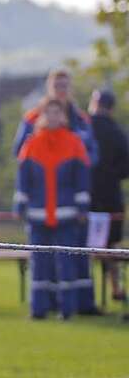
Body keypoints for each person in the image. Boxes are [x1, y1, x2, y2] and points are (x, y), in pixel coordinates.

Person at [13, 68, 99, 314]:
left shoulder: (80, 121)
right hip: (42, 208)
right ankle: (42, 307)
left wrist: (78, 191)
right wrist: (21, 202)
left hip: (67, 205)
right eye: (57, 85)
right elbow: (22, 162)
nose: (61, 89)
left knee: (71, 260)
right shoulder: (31, 124)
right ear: (50, 87)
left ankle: (76, 306)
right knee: (41, 261)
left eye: (65, 85)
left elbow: (90, 157)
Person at [87, 89, 129, 304]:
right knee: (111, 245)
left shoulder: (84, 127)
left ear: (95, 103)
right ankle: (115, 287)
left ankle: (88, 293)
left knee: (84, 246)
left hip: (87, 195)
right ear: (112, 107)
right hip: (112, 197)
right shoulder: (119, 132)